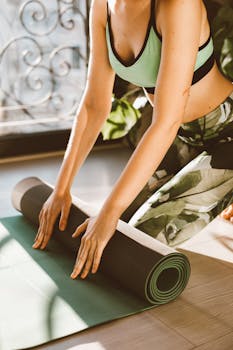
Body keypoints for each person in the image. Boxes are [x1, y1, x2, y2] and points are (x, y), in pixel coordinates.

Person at [33, 0, 233, 278]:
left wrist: (109, 211)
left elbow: (165, 121)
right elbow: (94, 106)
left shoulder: (178, 5)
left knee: (140, 236)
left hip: (227, 138)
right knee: (113, 229)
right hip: (182, 137)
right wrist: (61, 190)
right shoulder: (103, 7)